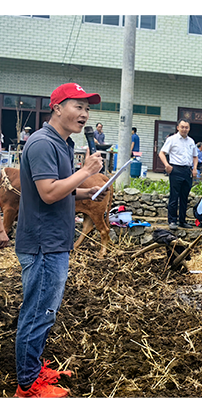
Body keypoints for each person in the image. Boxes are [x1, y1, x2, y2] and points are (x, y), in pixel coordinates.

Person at [13, 82, 107, 398]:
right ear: (57, 108)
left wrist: (87, 191)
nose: (85, 114)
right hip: (42, 243)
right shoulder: (42, 144)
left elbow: (60, 188)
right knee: (37, 312)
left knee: (45, 311)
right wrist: (86, 171)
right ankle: (27, 384)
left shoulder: (62, 144)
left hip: (54, 242)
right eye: (78, 106)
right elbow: (49, 192)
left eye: (88, 108)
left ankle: (34, 369)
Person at [159, 119, 198, 230]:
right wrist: (167, 165)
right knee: (174, 196)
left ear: (189, 128)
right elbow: (162, 153)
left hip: (187, 171)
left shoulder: (191, 141)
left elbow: (195, 156)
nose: (184, 129)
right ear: (178, 127)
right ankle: (172, 221)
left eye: (186, 127)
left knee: (184, 197)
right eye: (182, 127)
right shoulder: (172, 139)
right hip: (175, 169)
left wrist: (195, 168)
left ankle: (182, 220)